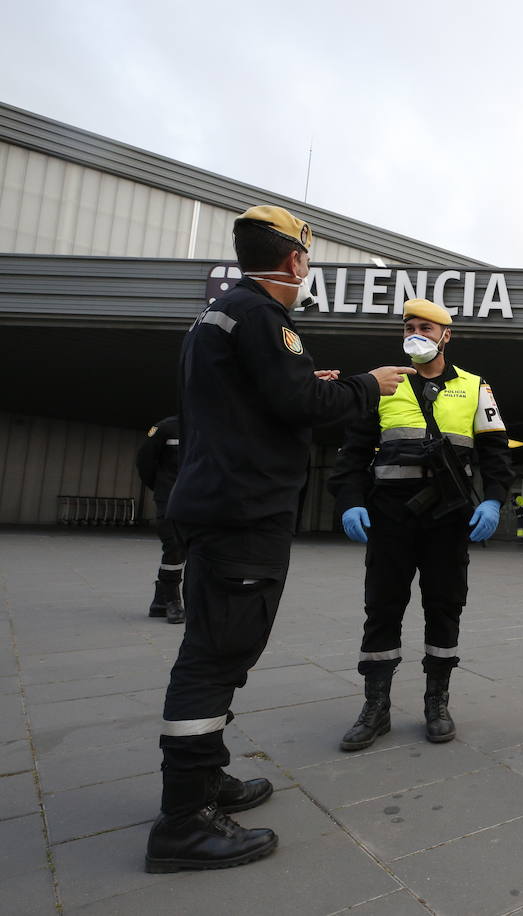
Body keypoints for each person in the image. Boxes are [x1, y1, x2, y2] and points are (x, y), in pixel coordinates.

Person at [147, 205, 416, 873]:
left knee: (217, 648)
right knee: (216, 656)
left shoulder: (218, 315)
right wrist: (364, 386)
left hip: (219, 503)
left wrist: (309, 384)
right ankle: (184, 821)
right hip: (244, 511)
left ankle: (205, 782)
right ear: (295, 260)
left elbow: (265, 398)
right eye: (307, 258)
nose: (307, 269)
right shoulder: (266, 318)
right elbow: (299, 406)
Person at [328, 298, 514, 751]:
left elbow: (496, 454)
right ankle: (376, 707)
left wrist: (492, 502)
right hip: (390, 516)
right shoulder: (382, 385)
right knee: (382, 608)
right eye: (410, 326)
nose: (417, 333)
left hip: (448, 519)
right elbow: (352, 454)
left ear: (446, 335)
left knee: (444, 606)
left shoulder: (475, 387)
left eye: (427, 327)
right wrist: (351, 502)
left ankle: (437, 701)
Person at [136, 415, 185, 624]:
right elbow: (145, 461)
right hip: (169, 499)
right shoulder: (166, 427)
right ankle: (172, 600)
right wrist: (161, 489)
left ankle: (159, 601)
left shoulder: (210, 425)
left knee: (188, 547)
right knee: (173, 544)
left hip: (198, 498)